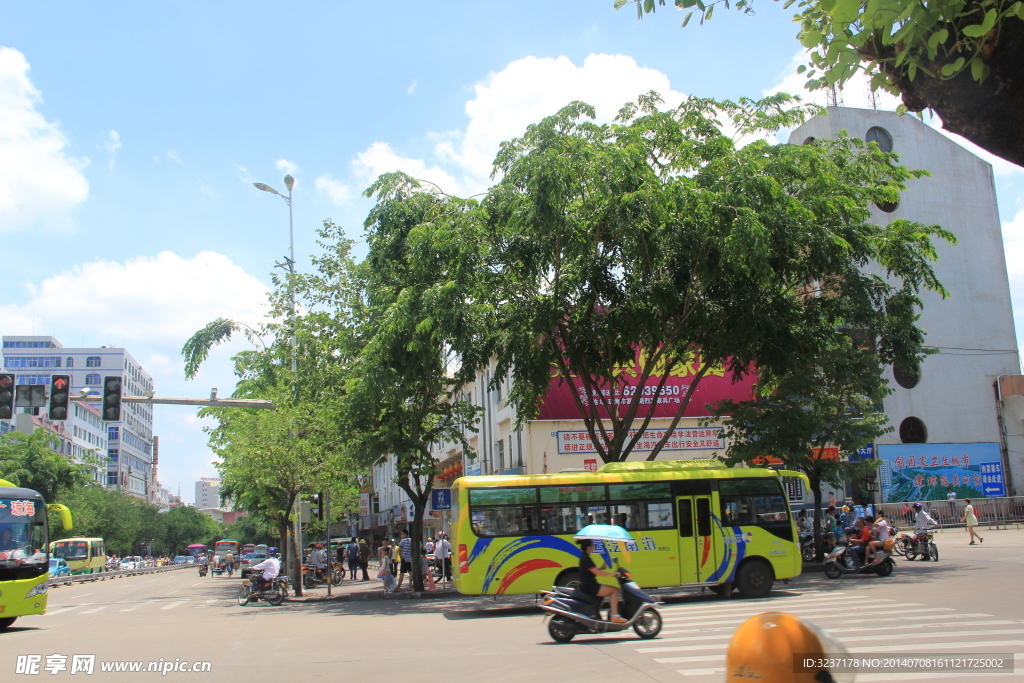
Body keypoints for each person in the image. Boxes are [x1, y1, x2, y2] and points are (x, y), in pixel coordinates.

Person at [577, 538, 626, 623]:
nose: (594, 546)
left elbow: (591, 570)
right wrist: (612, 574)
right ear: (588, 547)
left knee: (612, 590)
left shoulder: (585, 557)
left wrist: (601, 568)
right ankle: (615, 616)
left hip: (589, 585)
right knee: (614, 590)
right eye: (592, 544)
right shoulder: (586, 559)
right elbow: (597, 572)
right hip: (590, 586)